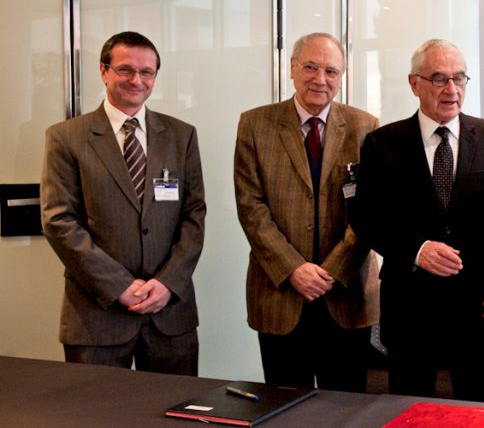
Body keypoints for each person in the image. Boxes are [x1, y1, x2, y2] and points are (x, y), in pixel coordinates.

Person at [351, 39, 484, 403]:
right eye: (439, 79)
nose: (451, 89)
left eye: (459, 78)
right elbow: (367, 218)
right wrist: (416, 250)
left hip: (477, 305)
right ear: (414, 83)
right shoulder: (382, 144)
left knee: (481, 413)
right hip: (410, 306)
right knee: (409, 412)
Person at [41, 31, 206, 375]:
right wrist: (119, 286)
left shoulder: (181, 135)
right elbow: (59, 222)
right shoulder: (66, 137)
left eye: (147, 72)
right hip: (96, 317)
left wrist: (168, 282)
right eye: (125, 70)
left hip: (170, 315)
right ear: (104, 71)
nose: (137, 80)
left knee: (173, 416)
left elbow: (194, 216)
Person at [233, 32, 380, 393]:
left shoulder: (366, 127)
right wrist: (293, 268)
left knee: (346, 409)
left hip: (347, 292)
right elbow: (250, 206)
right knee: (283, 406)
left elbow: (371, 209)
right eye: (311, 68)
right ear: (292, 69)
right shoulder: (255, 124)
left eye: (331, 71)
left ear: (342, 76)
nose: (320, 79)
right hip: (280, 292)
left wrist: (332, 270)